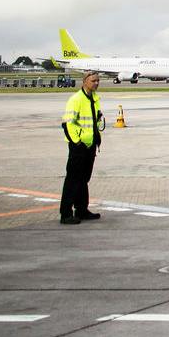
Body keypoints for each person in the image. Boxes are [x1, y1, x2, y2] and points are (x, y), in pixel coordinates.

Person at [59, 71, 104, 224]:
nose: (96, 83)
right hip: (79, 146)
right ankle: (65, 214)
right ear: (85, 81)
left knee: (84, 179)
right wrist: (77, 142)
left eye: (98, 80)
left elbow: (94, 120)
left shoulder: (94, 98)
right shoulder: (76, 99)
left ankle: (82, 209)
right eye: (93, 81)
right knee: (72, 179)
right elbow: (67, 123)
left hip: (90, 144)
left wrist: (96, 137)